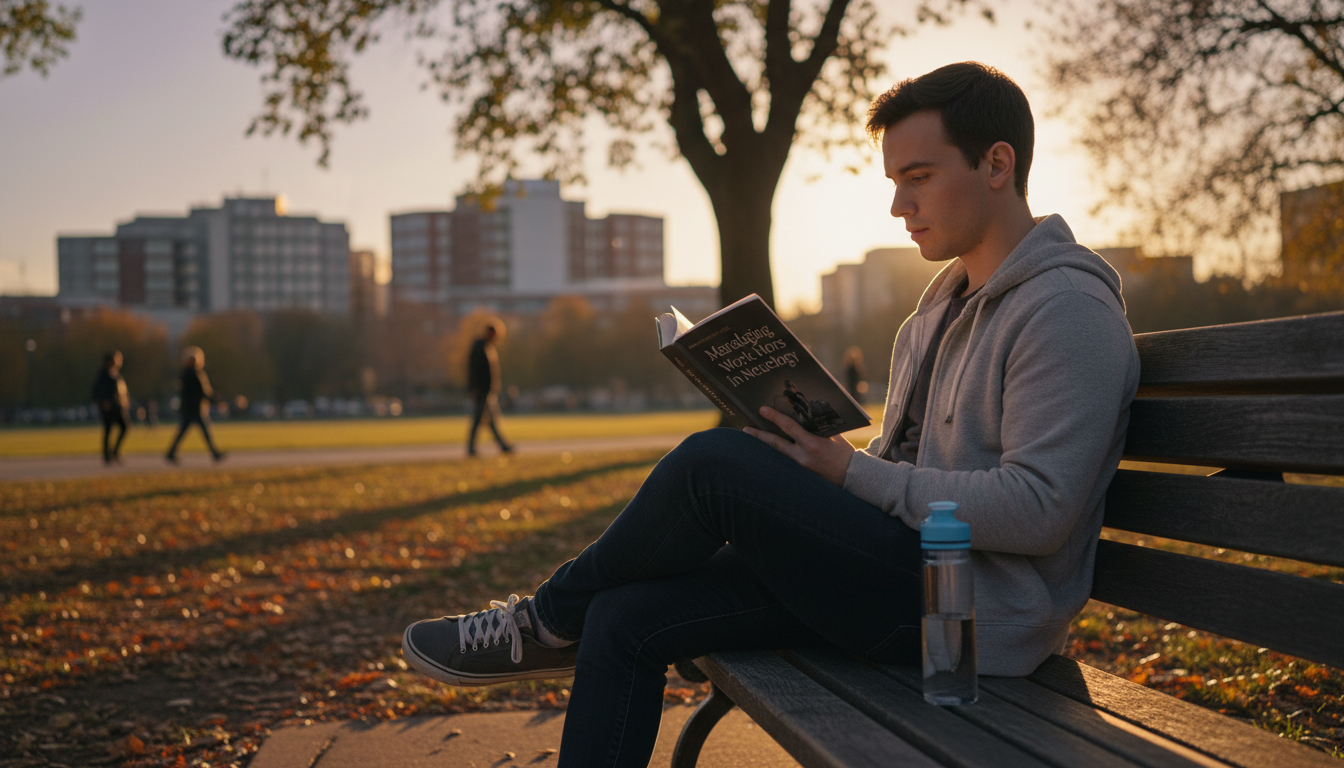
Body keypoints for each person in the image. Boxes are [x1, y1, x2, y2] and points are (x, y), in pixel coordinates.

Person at [402, 62, 1140, 768]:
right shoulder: (934, 313)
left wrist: (850, 472)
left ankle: (544, 619)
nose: (898, 205)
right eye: (893, 182)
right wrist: (819, 459)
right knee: (626, 618)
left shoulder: (1065, 308)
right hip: (898, 580)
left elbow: (1042, 508)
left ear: (998, 164)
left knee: (711, 464)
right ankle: (569, 615)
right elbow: (904, 473)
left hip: (967, 617)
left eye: (918, 177)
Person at [165, 346, 225, 463]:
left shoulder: (184, 374)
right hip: (196, 408)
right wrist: (217, 399)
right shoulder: (196, 374)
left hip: (188, 408)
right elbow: (205, 391)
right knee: (205, 432)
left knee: (183, 432)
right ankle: (215, 454)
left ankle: (171, 452)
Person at [466, 322, 513, 456]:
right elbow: (474, 371)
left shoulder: (486, 347)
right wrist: (475, 389)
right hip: (482, 391)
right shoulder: (480, 348)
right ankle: (473, 448)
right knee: (481, 420)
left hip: (486, 391)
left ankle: (502, 445)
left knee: (490, 421)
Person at [91, 351, 129, 465]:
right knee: (113, 428)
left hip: (116, 406)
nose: (119, 362)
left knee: (117, 428)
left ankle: (111, 453)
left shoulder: (114, 373)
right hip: (109, 407)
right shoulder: (104, 374)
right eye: (117, 359)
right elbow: (98, 390)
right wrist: (103, 401)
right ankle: (109, 454)